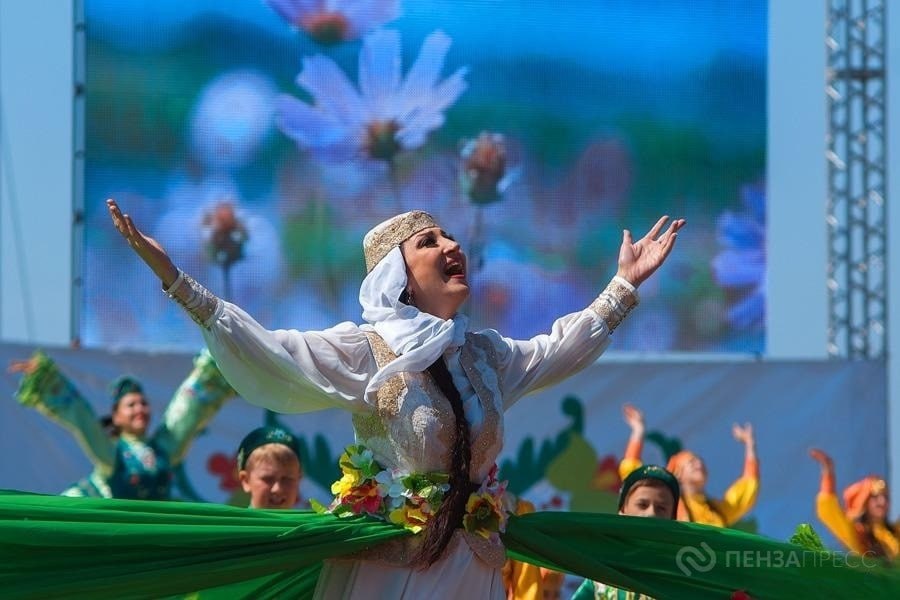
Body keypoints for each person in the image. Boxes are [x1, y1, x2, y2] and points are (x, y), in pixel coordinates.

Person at [107, 198, 684, 598]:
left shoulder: (482, 354)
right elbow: (266, 350)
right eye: (430, 241)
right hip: (389, 565)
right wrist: (177, 281)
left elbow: (559, 348)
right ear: (399, 277)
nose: (452, 244)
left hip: (470, 564)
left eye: (450, 235)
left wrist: (625, 285)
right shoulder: (368, 350)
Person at [9, 348, 235, 500]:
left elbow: (187, 411)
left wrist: (216, 364)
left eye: (143, 404)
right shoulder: (113, 455)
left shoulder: (163, 450)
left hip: (158, 544)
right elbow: (82, 418)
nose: (140, 409)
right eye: (131, 405)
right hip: (122, 547)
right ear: (116, 417)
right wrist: (46, 378)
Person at [618, 403, 758, 526]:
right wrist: (639, 431)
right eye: (691, 462)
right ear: (679, 473)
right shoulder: (668, 503)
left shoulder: (716, 509)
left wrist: (750, 446)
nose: (699, 464)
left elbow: (747, 489)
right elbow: (632, 474)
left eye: (700, 461)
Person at [572, 464, 680, 599]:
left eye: (661, 508)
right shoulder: (602, 573)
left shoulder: (683, 572)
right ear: (622, 511)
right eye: (642, 505)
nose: (651, 514)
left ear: (673, 519)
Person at [809, 448, 898, 560]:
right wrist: (828, 470)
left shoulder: (894, 532)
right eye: (875, 497)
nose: (883, 502)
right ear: (864, 502)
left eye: (886, 497)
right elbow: (830, 511)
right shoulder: (857, 533)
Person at [237, 426, 303, 509]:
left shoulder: (312, 522)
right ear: (245, 480)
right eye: (268, 479)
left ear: (299, 479)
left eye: (287, 479)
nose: (277, 489)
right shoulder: (229, 522)